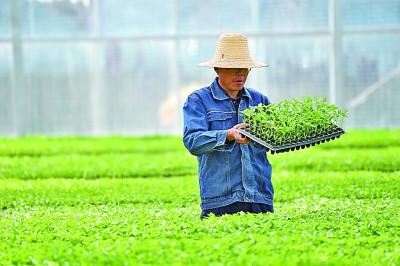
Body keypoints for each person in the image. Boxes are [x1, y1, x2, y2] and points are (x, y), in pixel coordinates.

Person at [183, 33, 274, 219]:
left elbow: (271, 142)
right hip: (220, 199)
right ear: (218, 69)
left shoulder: (259, 100)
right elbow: (193, 141)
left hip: (259, 196)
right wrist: (228, 135)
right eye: (234, 68)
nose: (240, 74)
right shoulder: (199, 100)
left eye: (244, 68)